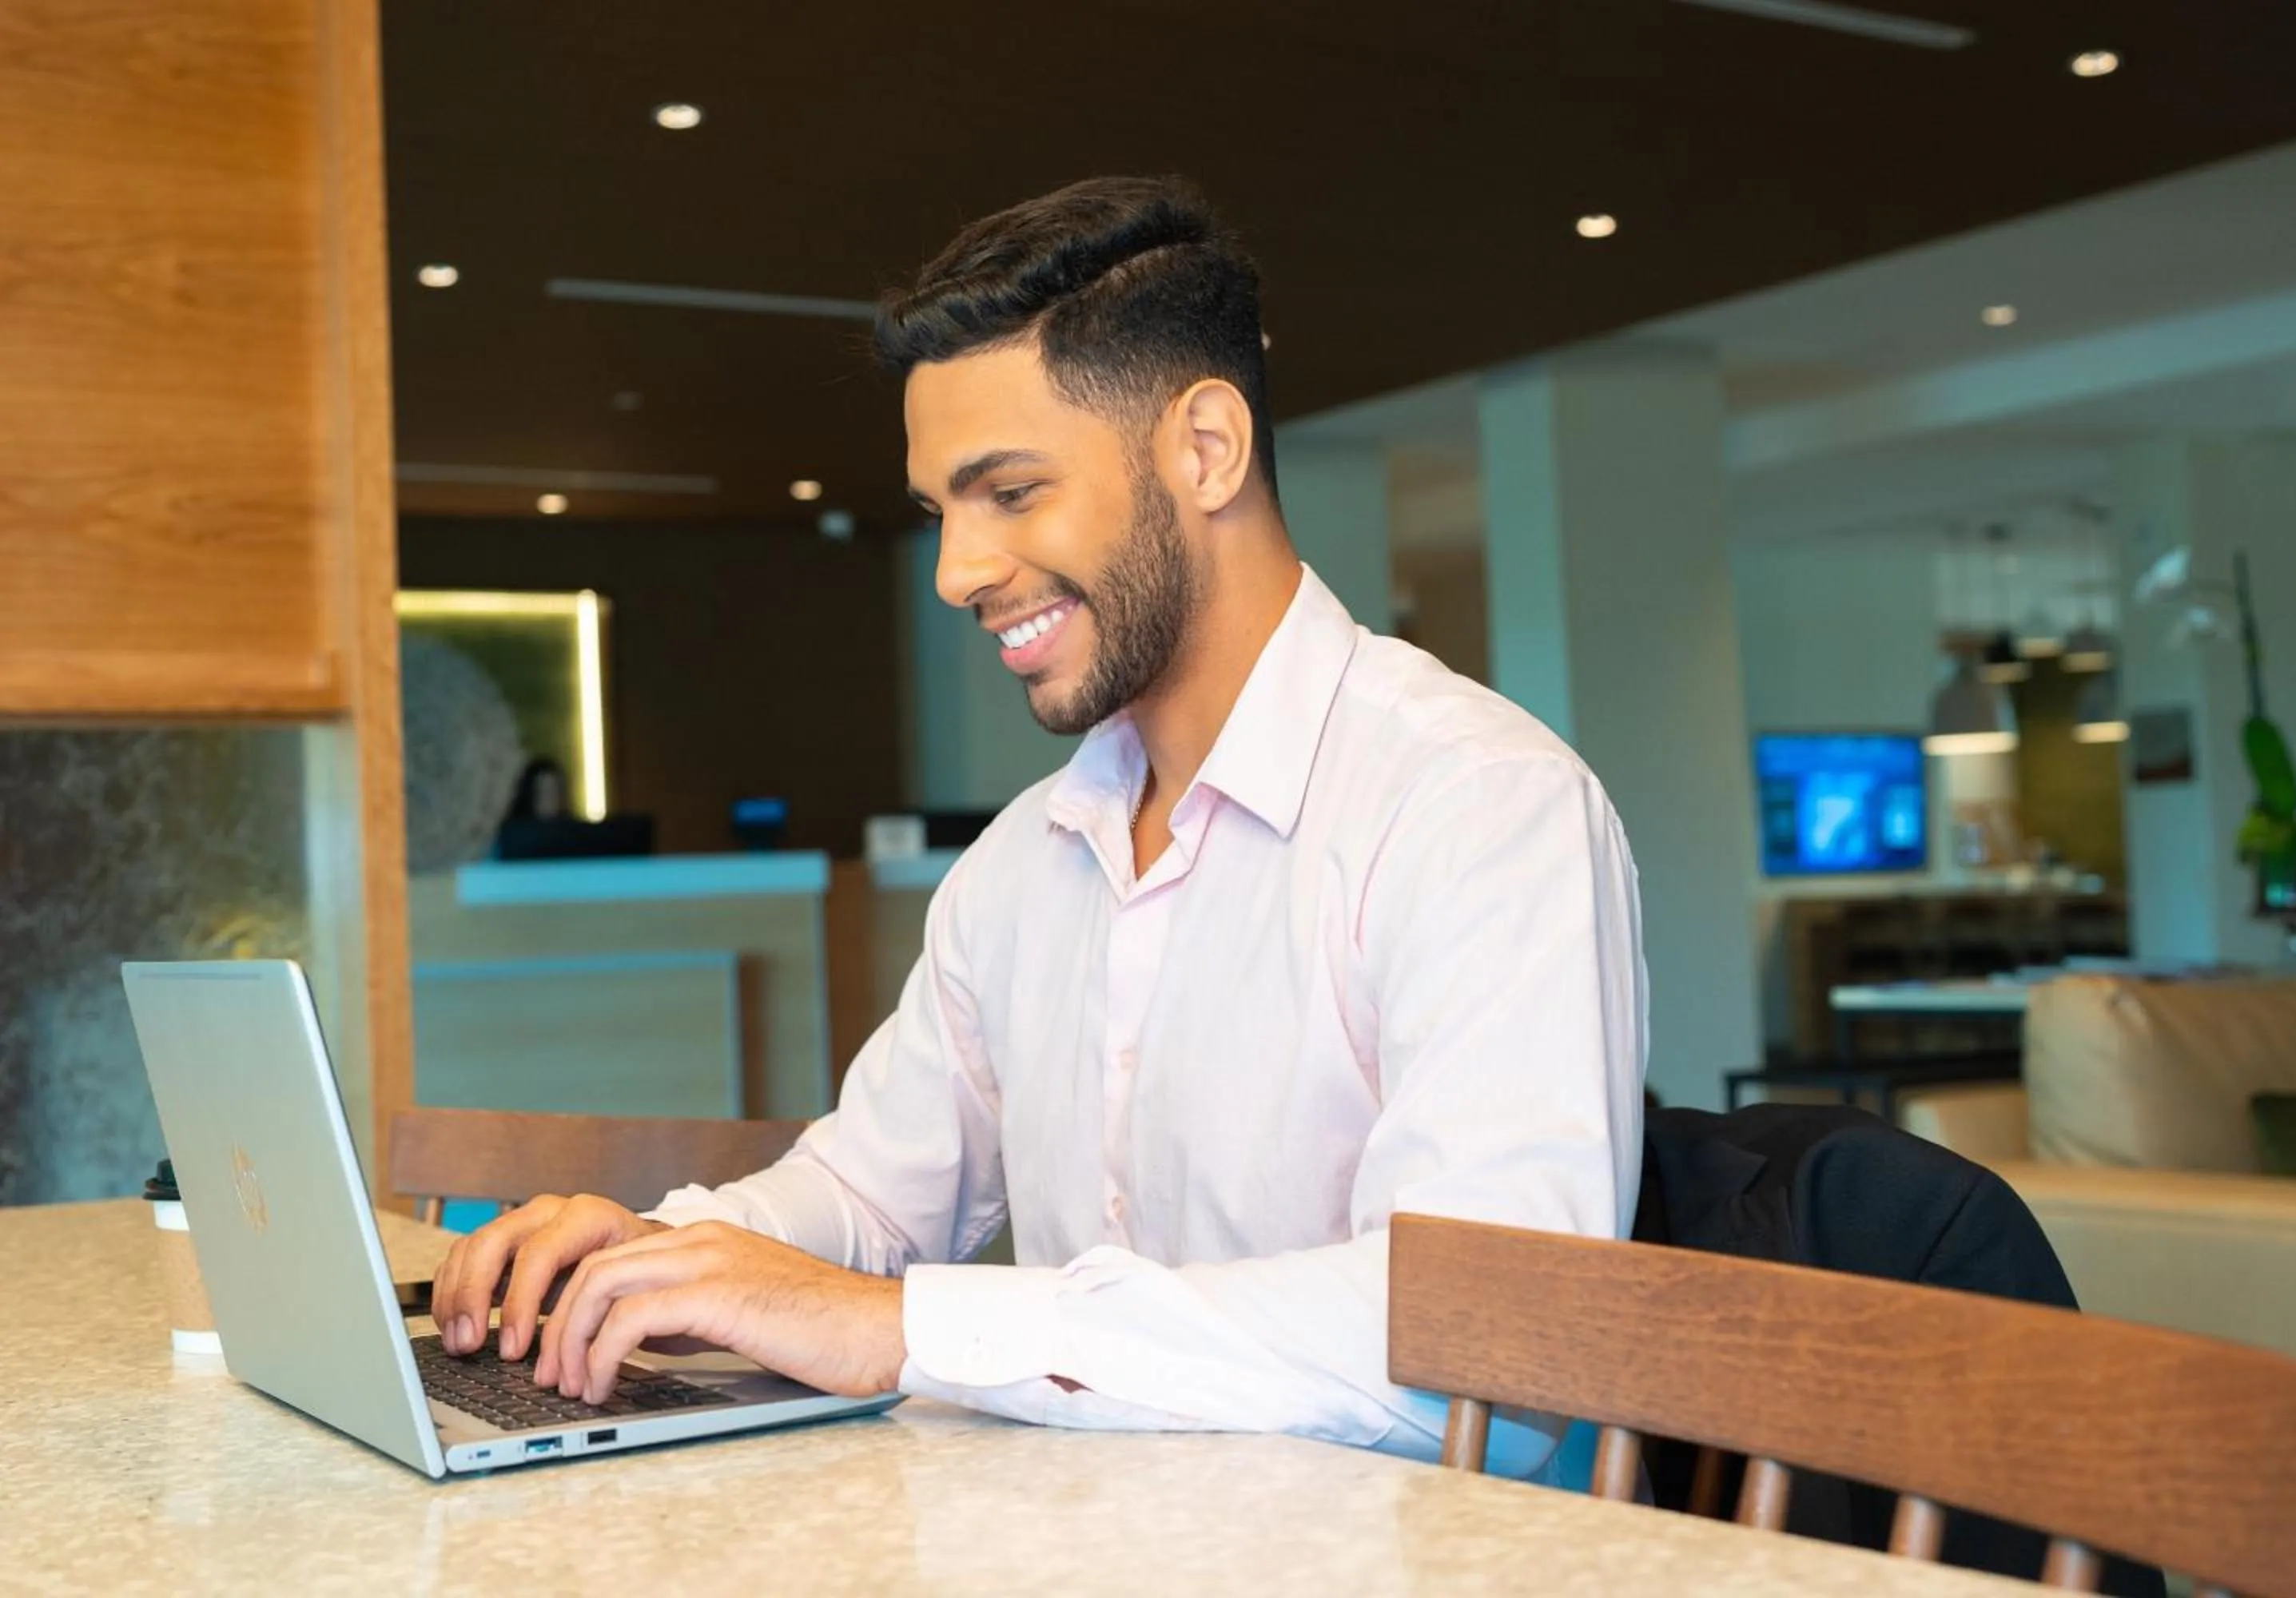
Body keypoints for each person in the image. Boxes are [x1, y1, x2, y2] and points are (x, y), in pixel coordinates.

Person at [430, 176, 1647, 1475]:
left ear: (1208, 449)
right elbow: (868, 1192)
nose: (957, 570)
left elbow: (1487, 1346)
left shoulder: (1481, 810)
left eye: (1008, 491)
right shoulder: (1025, 861)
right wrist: (653, 1253)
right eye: (940, 511)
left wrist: (906, 1330)